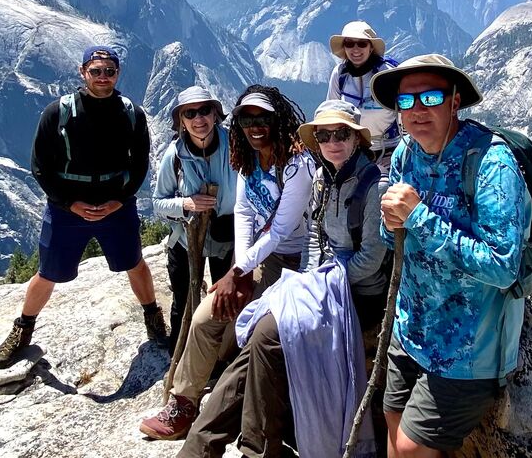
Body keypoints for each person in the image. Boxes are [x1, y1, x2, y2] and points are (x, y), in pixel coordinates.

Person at [176, 100, 389, 458]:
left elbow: (371, 258)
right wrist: (305, 280)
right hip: (322, 287)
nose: (332, 141)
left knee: (269, 337)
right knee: (262, 332)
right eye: (324, 135)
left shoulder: (373, 185)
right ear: (316, 140)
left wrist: (319, 285)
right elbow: (311, 238)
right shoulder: (324, 179)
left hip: (357, 296)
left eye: (342, 134)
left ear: (357, 139)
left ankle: (239, 449)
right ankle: (207, 449)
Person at [369, 54, 532, 457]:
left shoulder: (491, 164)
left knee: (409, 449)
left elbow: (502, 265)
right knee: (391, 422)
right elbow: (394, 241)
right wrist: (390, 225)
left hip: (467, 349)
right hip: (411, 331)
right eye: (406, 102)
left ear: (455, 101)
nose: (417, 110)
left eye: (431, 97)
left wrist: (419, 217)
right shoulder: (406, 154)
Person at [140, 85, 314, 440]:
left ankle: (225, 396)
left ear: (277, 119)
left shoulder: (297, 164)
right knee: (207, 316)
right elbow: (244, 212)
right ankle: (184, 403)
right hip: (263, 259)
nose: (255, 126)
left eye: (263, 118)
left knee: (250, 327)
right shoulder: (247, 158)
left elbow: (281, 230)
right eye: (247, 119)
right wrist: (243, 268)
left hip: (299, 263)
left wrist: (237, 271)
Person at [0, 45, 169, 369]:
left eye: (109, 71)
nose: (103, 77)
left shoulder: (132, 113)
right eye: (96, 71)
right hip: (67, 210)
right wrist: (69, 203)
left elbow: (141, 162)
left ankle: (153, 317)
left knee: (135, 263)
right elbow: (40, 166)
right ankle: (22, 329)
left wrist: (121, 199)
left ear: (117, 74)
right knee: (47, 274)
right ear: (82, 71)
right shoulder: (57, 112)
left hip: (116, 205)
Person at [153, 86, 239, 347]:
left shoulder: (235, 144)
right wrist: (186, 203)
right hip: (185, 238)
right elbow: (158, 203)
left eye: (205, 111)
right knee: (184, 298)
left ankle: (221, 353)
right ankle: (178, 352)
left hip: (227, 237)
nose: (198, 119)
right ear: (181, 120)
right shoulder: (175, 156)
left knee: (225, 299)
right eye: (190, 113)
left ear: (215, 114)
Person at [326, 21, 401, 168]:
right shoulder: (340, 74)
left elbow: (405, 114)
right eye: (349, 43)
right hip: (353, 153)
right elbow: (331, 115)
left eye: (362, 44)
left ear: (371, 47)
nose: (355, 49)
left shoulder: (387, 73)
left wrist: (400, 154)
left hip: (389, 151)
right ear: (344, 47)